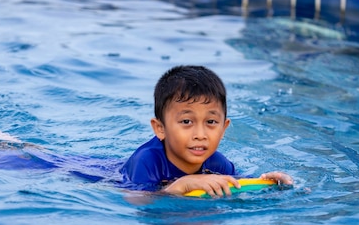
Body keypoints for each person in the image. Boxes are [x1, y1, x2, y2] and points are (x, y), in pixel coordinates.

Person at [120, 65, 292, 196]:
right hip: (102, 175)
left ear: (223, 128)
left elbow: (239, 185)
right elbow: (138, 201)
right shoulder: (147, 161)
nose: (200, 135)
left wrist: (268, 182)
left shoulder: (216, 163)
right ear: (160, 128)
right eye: (186, 121)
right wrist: (183, 185)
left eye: (211, 122)